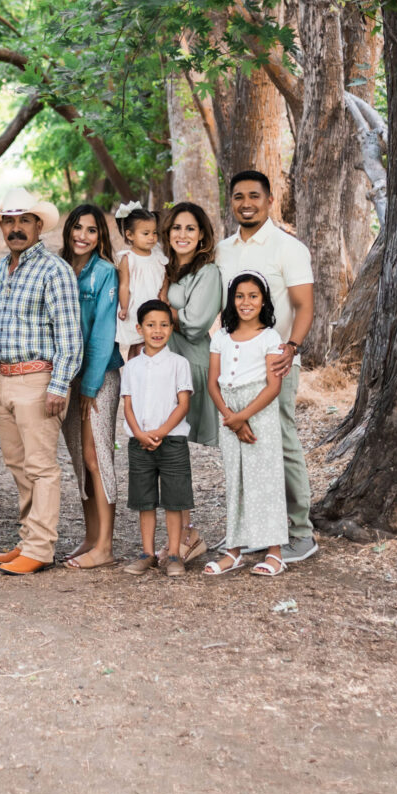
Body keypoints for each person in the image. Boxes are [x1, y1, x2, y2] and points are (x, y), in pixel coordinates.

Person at [215, 170, 318, 563]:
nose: (246, 203)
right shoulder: (223, 251)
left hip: (277, 363)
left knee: (283, 443)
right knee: (249, 449)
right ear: (231, 202)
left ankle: (301, 532)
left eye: (254, 196)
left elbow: (304, 306)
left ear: (270, 200)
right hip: (235, 368)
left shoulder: (288, 248)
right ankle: (260, 531)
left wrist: (291, 347)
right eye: (238, 196)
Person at [0, 188, 83, 576]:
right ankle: (28, 539)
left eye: (24, 220)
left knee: (41, 467)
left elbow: (69, 335)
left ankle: (41, 548)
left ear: (38, 225)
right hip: (5, 379)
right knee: (18, 464)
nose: (15, 228)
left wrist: (59, 385)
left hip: (38, 379)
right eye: (9, 221)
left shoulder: (54, 270)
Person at [204, 273, 287, 577]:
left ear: (263, 300)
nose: (246, 302)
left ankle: (275, 552)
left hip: (258, 410)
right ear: (232, 300)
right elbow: (212, 383)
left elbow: (273, 386)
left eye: (253, 296)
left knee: (266, 480)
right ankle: (234, 551)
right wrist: (231, 417)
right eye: (240, 296)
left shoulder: (270, 338)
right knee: (235, 480)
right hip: (228, 412)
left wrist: (243, 417)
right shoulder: (221, 337)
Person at [59, 203, 122, 570]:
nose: (83, 235)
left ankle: (106, 546)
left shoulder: (106, 273)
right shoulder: (58, 268)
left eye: (92, 230)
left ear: (100, 237)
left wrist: (90, 387)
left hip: (99, 377)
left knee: (96, 455)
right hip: (67, 377)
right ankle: (90, 536)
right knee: (79, 459)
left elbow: (102, 333)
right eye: (78, 227)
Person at [161, 201, 222, 563]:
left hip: (190, 364)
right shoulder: (165, 269)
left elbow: (196, 324)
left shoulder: (208, 273)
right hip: (161, 366)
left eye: (190, 228)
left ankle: (186, 535)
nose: (182, 234)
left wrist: (162, 309)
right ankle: (182, 534)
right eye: (176, 228)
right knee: (169, 451)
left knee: (175, 451)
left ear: (202, 236)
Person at [121, 301, 194, 579]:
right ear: (139, 328)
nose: (157, 330)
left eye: (164, 325)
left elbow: (183, 404)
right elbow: (128, 406)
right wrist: (139, 434)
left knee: (174, 499)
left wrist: (161, 432)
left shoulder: (179, 364)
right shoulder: (132, 367)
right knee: (145, 500)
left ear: (171, 329)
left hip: (172, 441)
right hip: (139, 443)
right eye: (150, 325)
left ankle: (174, 553)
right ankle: (147, 553)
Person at [114, 202, 168, 348]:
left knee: (150, 342)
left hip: (154, 305)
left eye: (154, 232)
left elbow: (165, 277)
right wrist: (124, 307)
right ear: (130, 235)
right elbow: (124, 285)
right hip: (135, 307)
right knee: (136, 343)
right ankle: (133, 363)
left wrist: (164, 293)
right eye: (146, 233)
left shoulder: (157, 255)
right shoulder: (128, 258)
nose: (152, 237)